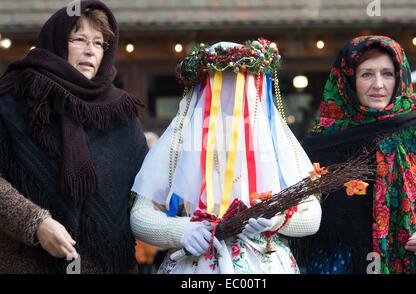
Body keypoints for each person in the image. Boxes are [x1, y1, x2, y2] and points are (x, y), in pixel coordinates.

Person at [130, 39, 322, 274]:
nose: (232, 99)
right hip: (194, 266)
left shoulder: (272, 141)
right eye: (221, 87)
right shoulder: (181, 141)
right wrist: (182, 230)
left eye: (241, 87)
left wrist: (276, 219)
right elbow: (140, 215)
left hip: (265, 264)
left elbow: (312, 215)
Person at [0, 0, 148, 273]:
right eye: (79, 39)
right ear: (57, 41)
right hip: (28, 261)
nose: (91, 51)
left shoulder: (121, 112)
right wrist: (36, 223)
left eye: (99, 43)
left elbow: (146, 191)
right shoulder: (15, 97)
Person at [292, 35, 416, 274]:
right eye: (367, 74)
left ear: (399, 77)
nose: (378, 84)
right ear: (349, 79)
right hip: (338, 266)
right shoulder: (320, 143)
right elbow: (299, 213)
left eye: (387, 73)